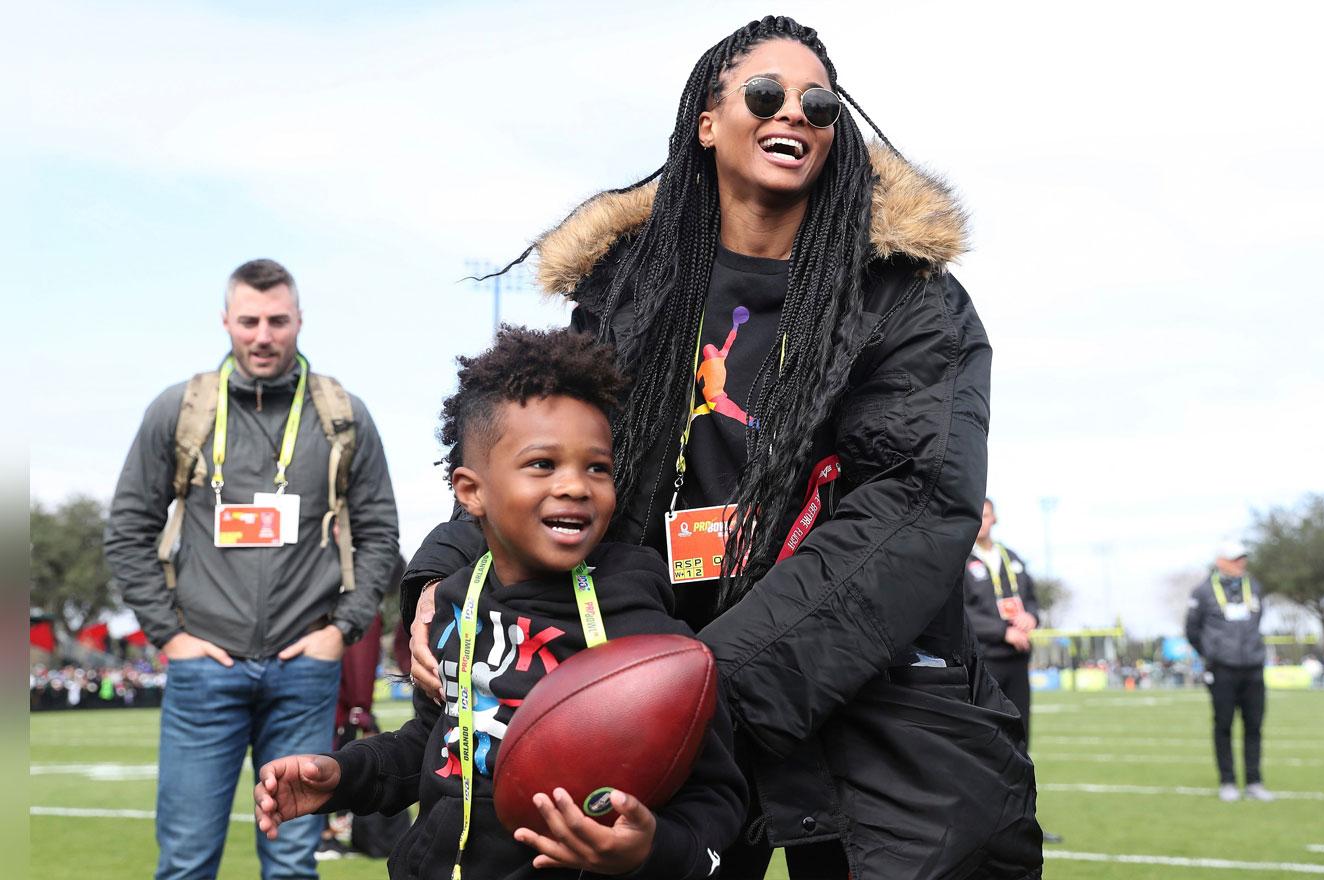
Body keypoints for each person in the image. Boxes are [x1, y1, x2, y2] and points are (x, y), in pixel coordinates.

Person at [406, 16, 1041, 879]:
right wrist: (443, 571)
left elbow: (913, 508)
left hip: (865, 706)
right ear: (707, 121)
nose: (797, 112)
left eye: (820, 102)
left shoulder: (911, 301)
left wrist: (706, 686)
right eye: (767, 93)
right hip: (668, 695)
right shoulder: (629, 291)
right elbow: (539, 446)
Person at [253, 327, 746, 879]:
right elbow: (438, 743)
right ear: (471, 492)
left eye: (597, 467)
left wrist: (651, 849)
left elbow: (716, 797)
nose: (576, 486)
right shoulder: (454, 602)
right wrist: (344, 777)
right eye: (543, 464)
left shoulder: (643, 625)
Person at [105, 258, 400, 879]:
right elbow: (128, 530)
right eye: (248, 321)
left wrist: (339, 632)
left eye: (276, 320)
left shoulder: (341, 415)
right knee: (186, 861)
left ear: (298, 321)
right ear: (226, 321)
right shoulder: (181, 411)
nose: (262, 336)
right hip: (204, 670)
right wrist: (171, 636)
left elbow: (380, 536)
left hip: (304, 672)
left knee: (293, 862)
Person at [1185, 537, 1273, 802]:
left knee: (1254, 726)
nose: (1241, 563)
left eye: (1243, 558)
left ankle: (1254, 781)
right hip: (1222, 669)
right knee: (1223, 725)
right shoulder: (1202, 592)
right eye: (1235, 559)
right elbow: (1191, 630)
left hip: (1253, 667)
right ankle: (1227, 781)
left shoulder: (1254, 586)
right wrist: (1211, 654)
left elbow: (1258, 619)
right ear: (1220, 562)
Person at [962, 499, 1040, 736]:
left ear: (994, 518)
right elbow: (963, 612)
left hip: (1018, 657)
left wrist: (1032, 617)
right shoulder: (962, 559)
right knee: (989, 732)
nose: (982, 522)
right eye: (978, 516)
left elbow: (1032, 600)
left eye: (986, 516)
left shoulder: (1011, 557)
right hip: (986, 659)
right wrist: (1003, 631)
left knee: (1020, 731)